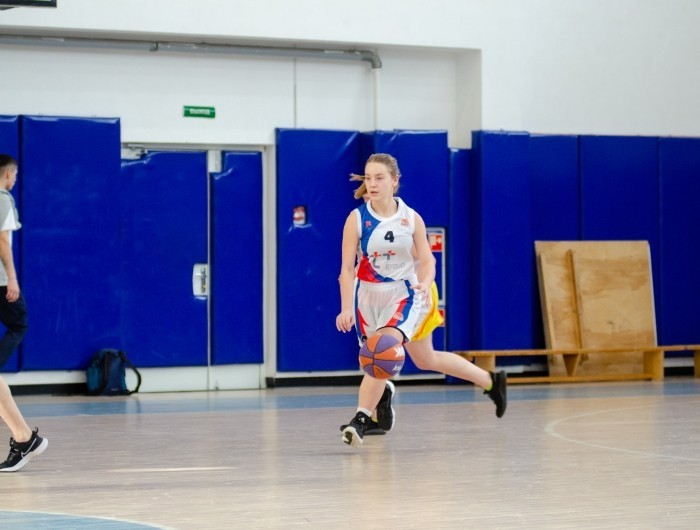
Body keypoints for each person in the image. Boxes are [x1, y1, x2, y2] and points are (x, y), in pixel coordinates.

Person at [336, 153, 506, 448]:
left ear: (394, 181)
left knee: (381, 351)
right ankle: (491, 381)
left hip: (408, 292)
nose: (372, 184)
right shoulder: (357, 219)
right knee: (425, 359)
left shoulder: (410, 218)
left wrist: (425, 284)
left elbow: (427, 261)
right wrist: (345, 308)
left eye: (379, 178)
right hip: (369, 297)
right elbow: (346, 270)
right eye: (368, 178)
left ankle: (361, 419)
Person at [0, 154, 48, 472]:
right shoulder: (3, 198)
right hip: (1, 284)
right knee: (20, 324)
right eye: (15, 174)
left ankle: (24, 438)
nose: (15, 179)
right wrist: (12, 278)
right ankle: (24, 438)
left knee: (19, 324)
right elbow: (3, 241)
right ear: (7, 174)